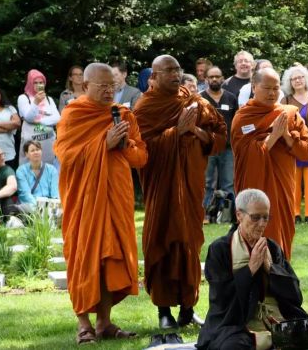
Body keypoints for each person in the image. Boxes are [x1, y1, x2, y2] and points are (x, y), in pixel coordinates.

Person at [54, 62, 148, 344]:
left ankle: (104, 323)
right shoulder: (74, 115)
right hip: (84, 198)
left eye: (113, 86)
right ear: (85, 86)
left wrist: (124, 145)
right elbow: (65, 155)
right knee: (85, 255)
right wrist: (102, 144)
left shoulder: (123, 115)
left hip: (116, 195)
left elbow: (141, 157)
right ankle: (84, 324)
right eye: (103, 86)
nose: (110, 91)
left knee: (111, 256)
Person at [136, 55, 227, 329]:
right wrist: (176, 132)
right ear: (155, 75)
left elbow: (220, 133)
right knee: (161, 242)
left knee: (189, 242)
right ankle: (164, 311)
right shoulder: (146, 106)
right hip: (161, 188)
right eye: (169, 71)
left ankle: (188, 308)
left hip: (189, 184)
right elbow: (142, 147)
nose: (175, 75)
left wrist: (196, 131)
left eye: (178, 70)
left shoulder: (194, 100)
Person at [197, 189, 308, 350]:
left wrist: (272, 269)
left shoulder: (272, 247)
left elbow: (295, 297)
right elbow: (221, 299)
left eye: (266, 217)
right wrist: (249, 269)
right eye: (256, 217)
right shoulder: (220, 249)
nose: (262, 224)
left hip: (277, 319)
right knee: (231, 346)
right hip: (237, 324)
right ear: (239, 215)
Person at [232, 68, 308, 260]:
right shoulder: (244, 117)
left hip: (282, 186)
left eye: (275, 88)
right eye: (266, 88)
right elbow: (243, 154)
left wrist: (285, 135)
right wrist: (273, 137)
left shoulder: (289, 114)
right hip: (256, 186)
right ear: (254, 87)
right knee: (257, 232)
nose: (272, 93)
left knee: (281, 232)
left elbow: (306, 152)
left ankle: (280, 273)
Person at [281, 65, 308, 225]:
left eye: (300, 77)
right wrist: (295, 141)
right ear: (290, 82)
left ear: (306, 79)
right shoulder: (285, 100)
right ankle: (295, 213)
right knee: (294, 181)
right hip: (292, 146)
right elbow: (282, 122)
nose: (298, 80)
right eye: (294, 78)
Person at [201, 66, 239, 223]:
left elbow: (237, 122)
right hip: (207, 148)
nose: (215, 79)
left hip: (228, 148)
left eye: (217, 76)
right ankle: (205, 215)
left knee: (228, 183)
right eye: (211, 77)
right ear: (206, 79)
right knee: (207, 183)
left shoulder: (231, 98)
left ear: (223, 78)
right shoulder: (200, 99)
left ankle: (227, 215)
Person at [18, 69, 61, 167]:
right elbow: (29, 117)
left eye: (41, 82)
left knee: (48, 172)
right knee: (30, 172)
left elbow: (57, 118)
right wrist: (36, 102)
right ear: (30, 83)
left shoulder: (49, 99)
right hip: (31, 144)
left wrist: (39, 120)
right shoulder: (23, 98)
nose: (38, 85)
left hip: (48, 145)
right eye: (35, 82)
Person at [15, 140, 60, 215]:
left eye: (38, 149)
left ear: (41, 151)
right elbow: (25, 195)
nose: (36, 152)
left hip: (49, 204)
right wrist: (39, 208)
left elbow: (55, 193)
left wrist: (53, 205)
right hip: (30, 205)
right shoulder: (21, 171)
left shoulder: (52, 169)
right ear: (27, 154)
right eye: (32, 150)